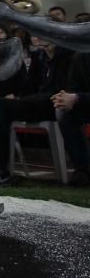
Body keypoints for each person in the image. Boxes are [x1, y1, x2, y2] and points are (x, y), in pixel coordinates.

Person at [0, 36, 74, 185]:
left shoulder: (69, 56)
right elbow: (29, 85)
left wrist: (24, 99)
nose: (38, 38)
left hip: (56, 103)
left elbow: (64, 88)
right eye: (36, 34)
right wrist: (17, 96)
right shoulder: (38, 56)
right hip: (35, 102)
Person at [53, 53, 90, 187]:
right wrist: (66, 99)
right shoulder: (80, 57)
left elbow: (77, 95)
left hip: (84, 99)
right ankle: (82, 170)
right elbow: (73, 87)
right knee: (65, 114)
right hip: (86, 102)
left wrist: (76, 97)